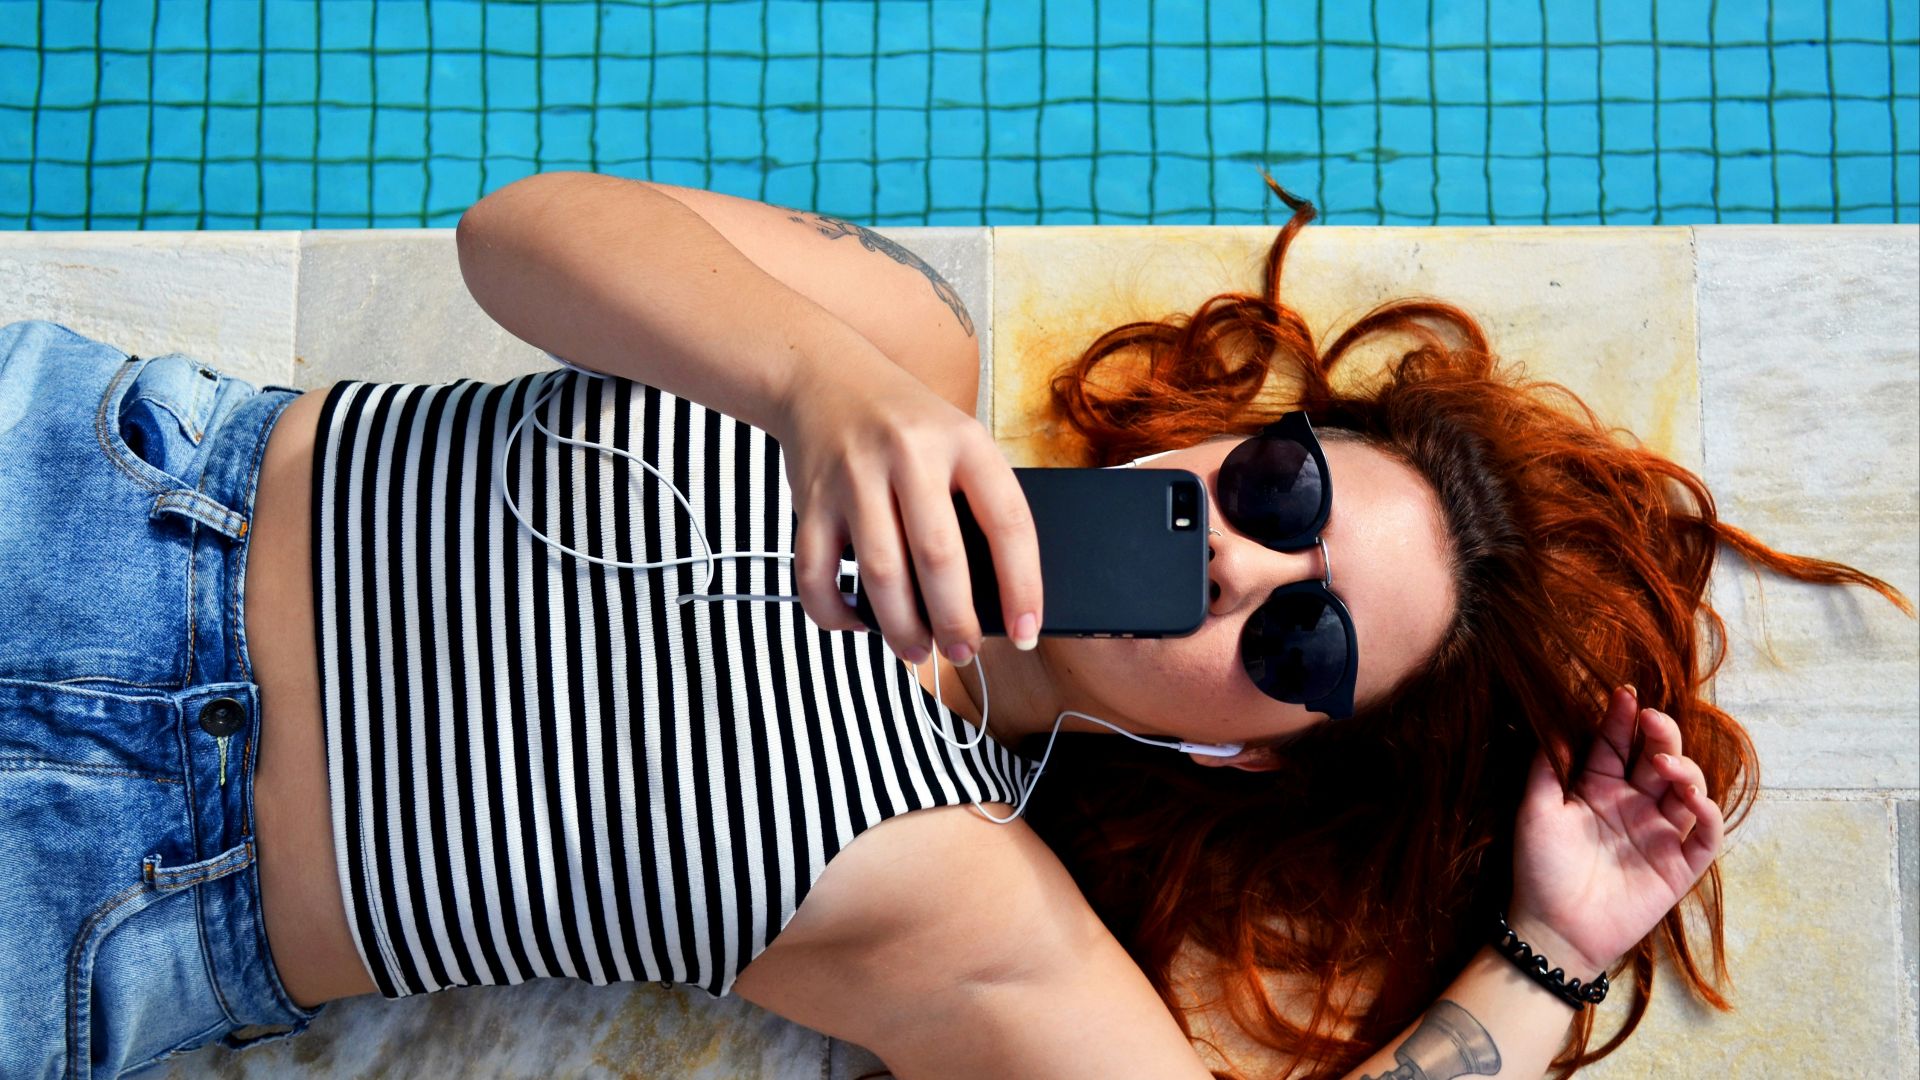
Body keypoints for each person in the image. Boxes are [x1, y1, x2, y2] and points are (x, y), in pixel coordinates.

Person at [0, 171, 1905, 1080]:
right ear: (1244, 431)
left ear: (1252, 745)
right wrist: (824, 389)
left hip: (106, 893)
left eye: (1306, 647)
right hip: (99, 492)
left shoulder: (977, 903)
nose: (1247, 565)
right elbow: (522, 238)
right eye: (1290, 494)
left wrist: (1545, 955)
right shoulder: (899, 345)